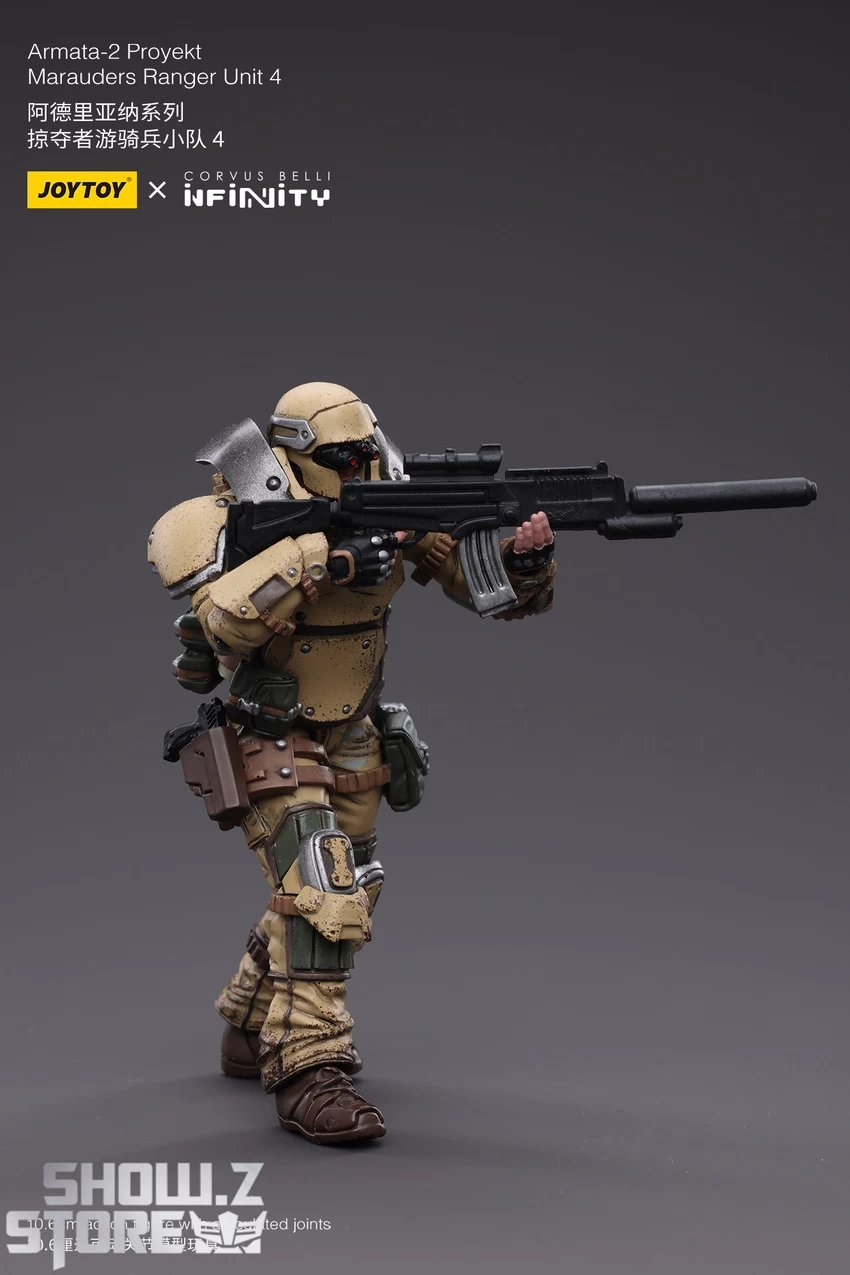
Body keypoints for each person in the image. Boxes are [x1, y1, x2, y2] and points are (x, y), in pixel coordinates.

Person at [147, 381, 556, 1144]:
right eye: (341, 458)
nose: (360, 469)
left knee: (348, 885)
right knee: (323, 887)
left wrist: (524, 563)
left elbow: (483, 588)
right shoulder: (236, 515)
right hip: (269, 727)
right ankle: (307, 1066)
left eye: (367, 453)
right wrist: (323, 561)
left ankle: (250, 1021)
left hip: (355, 731)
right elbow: (223, 622)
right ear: (294, 456)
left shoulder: (392, 506)